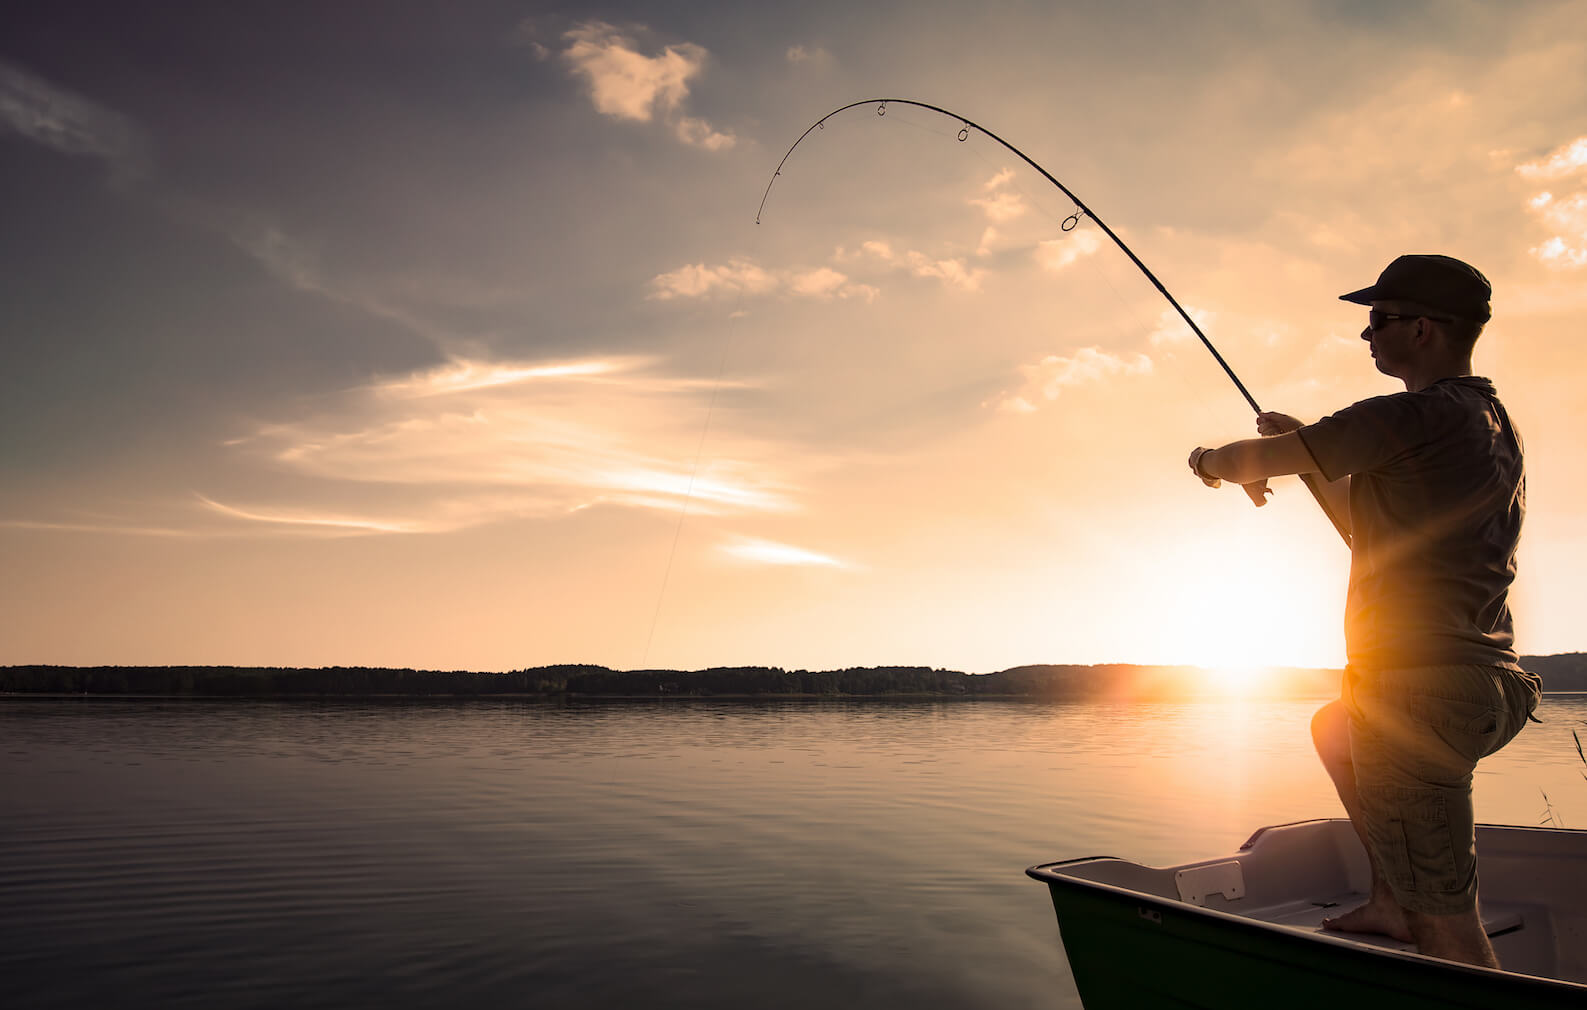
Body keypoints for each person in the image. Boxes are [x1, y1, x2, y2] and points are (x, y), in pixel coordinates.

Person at [1185, 254, 1541, 968]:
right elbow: (1364, 526)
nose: (1365, 335)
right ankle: (1387, 899)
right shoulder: (1488, 421)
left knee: (1448, 930)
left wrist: (1209, 460)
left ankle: (1427, 931)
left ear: (1421, 329)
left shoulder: (1407, 415)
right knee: (1338, 728)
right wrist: (1306, 457)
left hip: (1418, 694)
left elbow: (1237, 458)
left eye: (1376, 320)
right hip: (1487, 686)